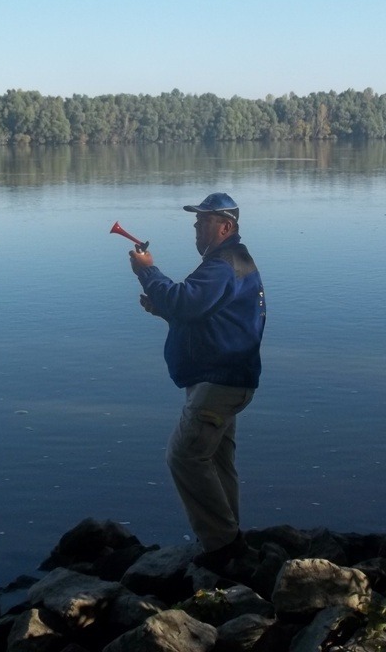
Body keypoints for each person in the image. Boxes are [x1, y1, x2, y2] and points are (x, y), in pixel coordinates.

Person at [127, 192, 266, 571]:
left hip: (219, 383)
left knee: (185, 456)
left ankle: (222, 547)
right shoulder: (232, 262)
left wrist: (147, 271)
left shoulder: (223, 265)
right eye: (195, 221)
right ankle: (232, 539)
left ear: (226, 226)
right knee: (218, 461)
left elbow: (187, 302)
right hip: (229, 379)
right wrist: (163, 308)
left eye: (203, 221)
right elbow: (203, 314)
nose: (196, 227)